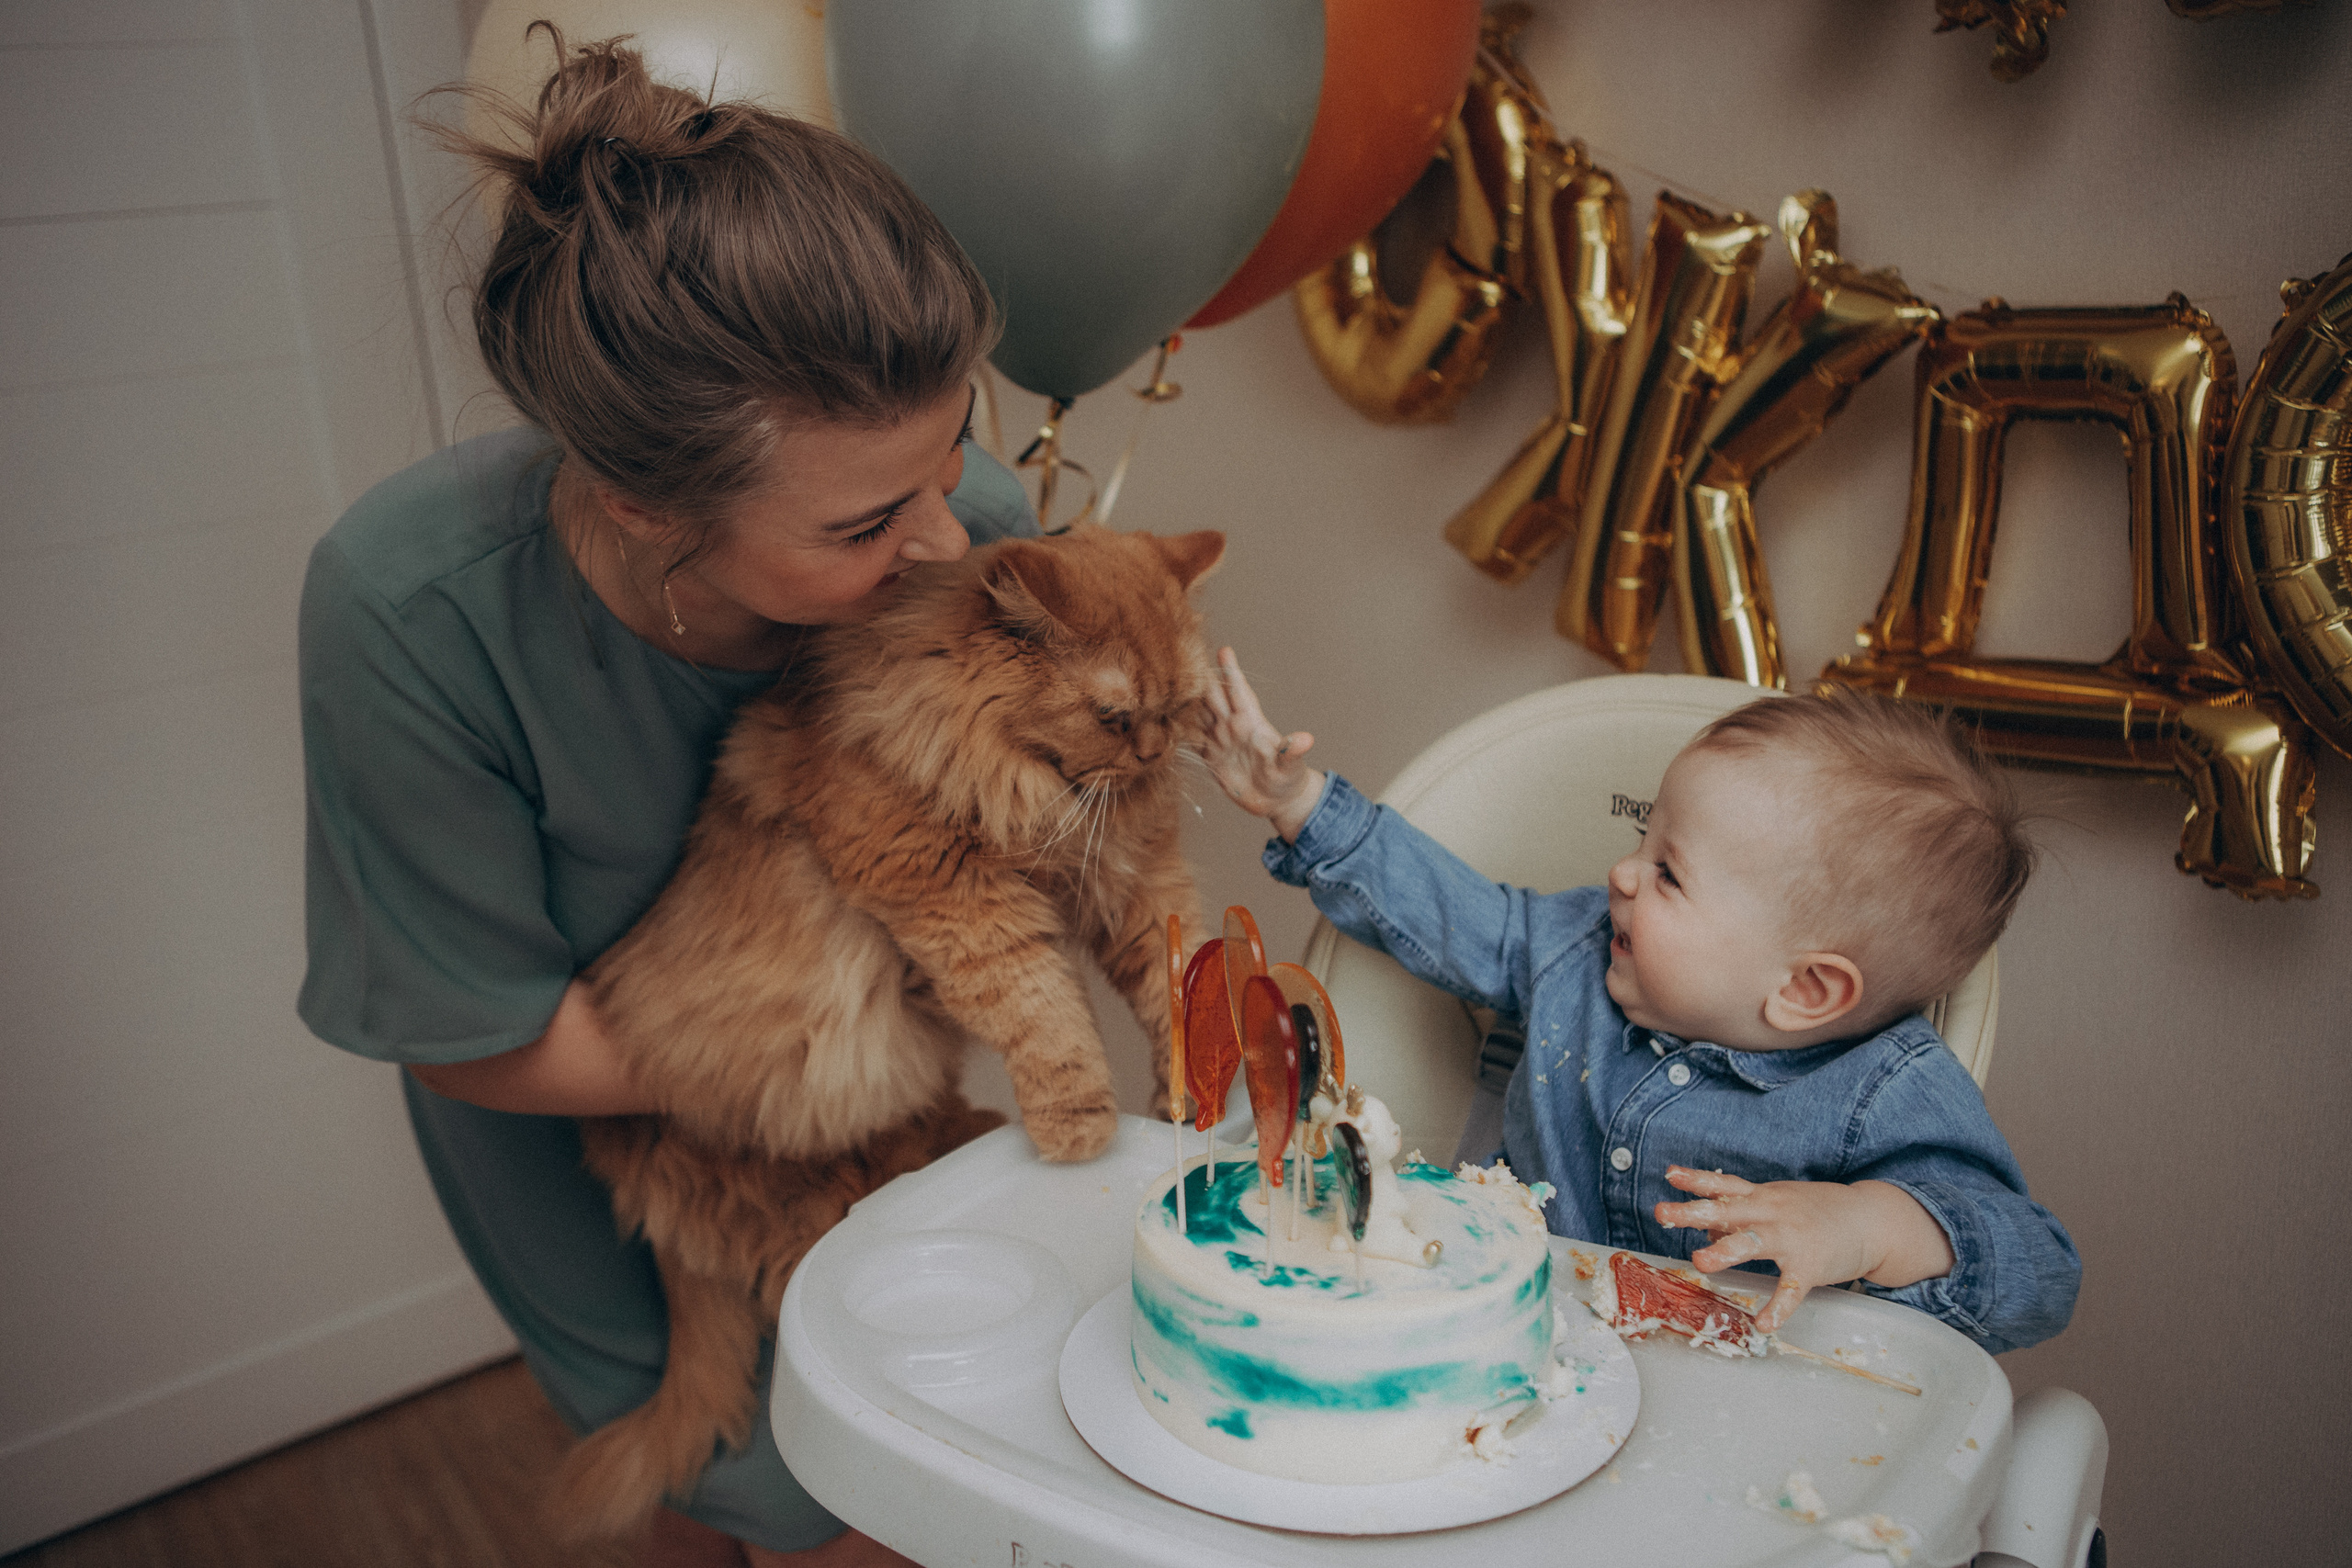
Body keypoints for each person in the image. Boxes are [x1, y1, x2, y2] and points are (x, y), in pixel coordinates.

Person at [297, 33, 1033, 1567]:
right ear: (641, 502)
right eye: (863, 520)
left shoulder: (964, 529)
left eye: (953, 454)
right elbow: (481, 1041)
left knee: (922, 1478)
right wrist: (841, 1046)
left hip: (862, 1117)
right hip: (585, 1140)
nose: (949, 545)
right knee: (745, 1489)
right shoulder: (411, 610)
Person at [1197, 650, 2080, 1354]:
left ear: (1805, 988)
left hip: (1737, 1405)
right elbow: (1455, 913)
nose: (1621, 874)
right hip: (1516, 1342)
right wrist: (1301, 806)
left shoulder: (1884, 1090)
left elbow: (2041, 1271)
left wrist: (1867, 1223)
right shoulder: (1580, 950)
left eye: (1669, 872)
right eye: (1641, 839)